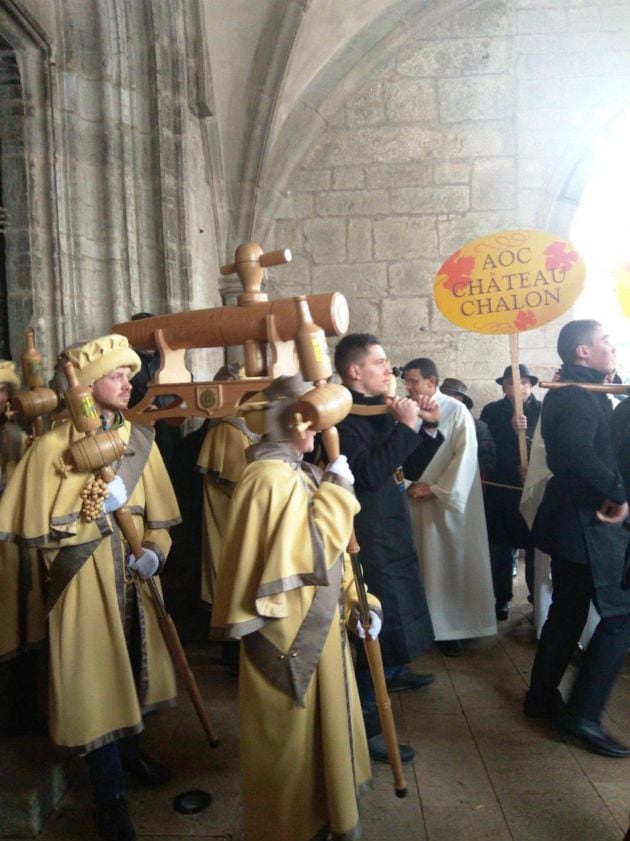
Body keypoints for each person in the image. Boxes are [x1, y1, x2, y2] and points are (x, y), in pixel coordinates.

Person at [0, 335, 182, 840]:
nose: (128, 383)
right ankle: (110, 797)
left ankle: (132, 756)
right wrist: (90, 510)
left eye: (129, 375)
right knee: (98, 687)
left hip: (134, 579)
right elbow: (34, 531)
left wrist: (154, 552)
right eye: (117, 375)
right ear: (86, 384)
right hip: (84, 585)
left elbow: (161, 521)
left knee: (134, 675)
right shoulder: (53, 449)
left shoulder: (141, 440)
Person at [211, 374, 379, 841]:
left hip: (321, 629)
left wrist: (359, 602)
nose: (317, 430)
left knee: (323, 742)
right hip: (285, 636)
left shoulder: (297, 472)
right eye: (311, 419)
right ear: (291, 420)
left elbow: (336, 559)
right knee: (289, 753)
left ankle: (325, 821)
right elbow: (305, 555)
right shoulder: (266, 477)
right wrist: (340, 492)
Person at [524, 320, 630, 758]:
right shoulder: (573, 394)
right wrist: (618, 493)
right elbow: (574, 455)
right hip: (588, 522)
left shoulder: (587, 392)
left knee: (568, 611)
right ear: (582, 352)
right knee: (622, 616)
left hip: (578, 521)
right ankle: (583, 715)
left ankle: (541, 696)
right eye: (605, 341)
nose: (614, 347)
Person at [333, 333, 441, 764]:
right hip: (366, 534)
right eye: (378, 362)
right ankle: (365, 725)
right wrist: (405, 427)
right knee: (372, 624)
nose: (387, 368)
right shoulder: (341, 419)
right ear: (355, 371)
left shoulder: (376, 410)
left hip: (391, 526)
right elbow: (370, 474)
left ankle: (393, 670)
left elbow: (407, 467)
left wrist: (425, 426)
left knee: (397, 616)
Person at [402, 360, 496, 657]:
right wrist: (407, 486)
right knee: (421, 564)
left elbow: (466, 456)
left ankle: (454, 629)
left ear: (432, 382)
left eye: (413, 381)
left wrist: (437, 489)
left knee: (448, 564)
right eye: (406, 381)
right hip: (413, 499)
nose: (408, 387)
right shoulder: (406, 410)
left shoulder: (456, 411)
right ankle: (426, 625)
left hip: (445, 505)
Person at [0, 360, 47, 733]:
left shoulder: (23, 434)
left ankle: (26, 711)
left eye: (4, 391)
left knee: (25, 621)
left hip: (19, 545)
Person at [480, 363, 541, 619]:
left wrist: (534, 468)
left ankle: (536, 599)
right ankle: (501, 598)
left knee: (535, 547)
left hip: (533, 490)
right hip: (501, 491)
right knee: (500, 549)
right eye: (513, 383)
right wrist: (509, 428)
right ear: (504, 387)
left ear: (530, 385)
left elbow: (551, 446)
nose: (520, 387)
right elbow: (485, 446)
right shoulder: (491, 412)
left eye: (524, 383)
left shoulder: (543, 410)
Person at [439, 376, 497, 479]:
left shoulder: (478, 427)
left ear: (461, 400)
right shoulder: (431, 424)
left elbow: (488, 459)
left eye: (451, 396)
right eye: (444, 396)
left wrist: (460, 469)